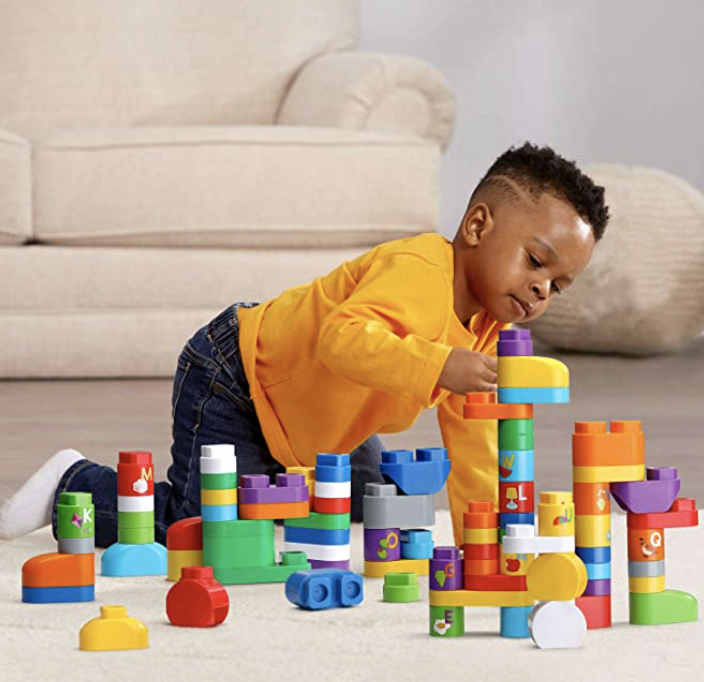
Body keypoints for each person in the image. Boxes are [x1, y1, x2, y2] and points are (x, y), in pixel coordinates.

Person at [0, 142, 609, 547]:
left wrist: (488, 536)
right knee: (204, 532)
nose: (541, 289)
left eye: (558, 284)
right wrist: (439, 363)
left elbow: (474, 435)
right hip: (238, 378)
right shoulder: (421, 267)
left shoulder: (486, 333)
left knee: (370, 515)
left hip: (322, 430)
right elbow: (344, 339)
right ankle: (75, 483)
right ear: (478, 226)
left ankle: (288, 484)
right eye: (536, 262)